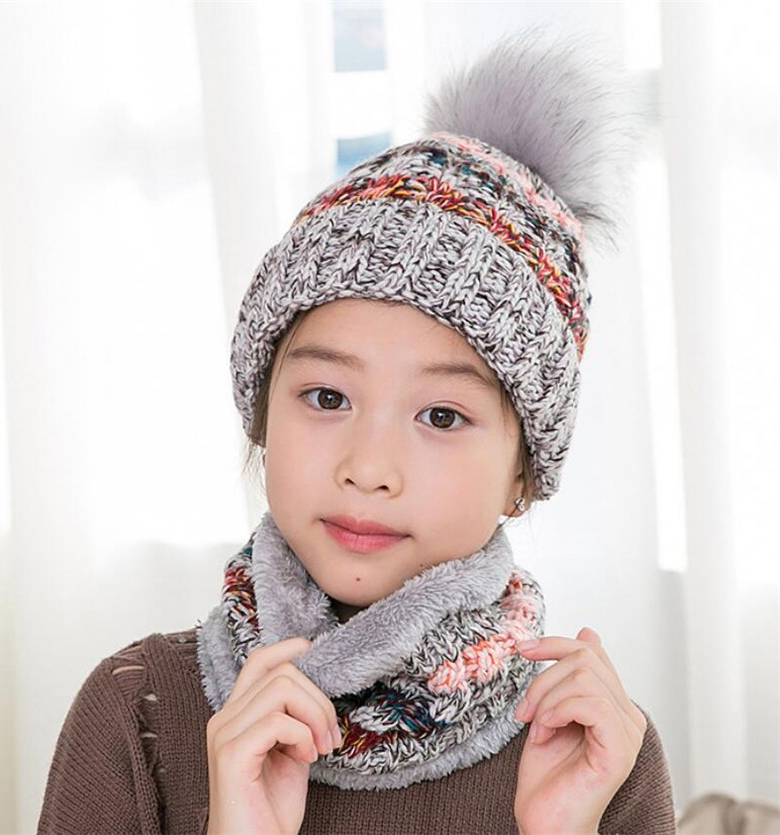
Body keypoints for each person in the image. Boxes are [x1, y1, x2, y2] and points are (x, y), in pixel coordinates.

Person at [37, 28, 678, 835]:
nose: (370, 467)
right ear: (263, 415)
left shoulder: (592, 747)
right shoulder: (137, 711)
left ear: (524, 474)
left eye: (441, 415)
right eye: (327, 397)